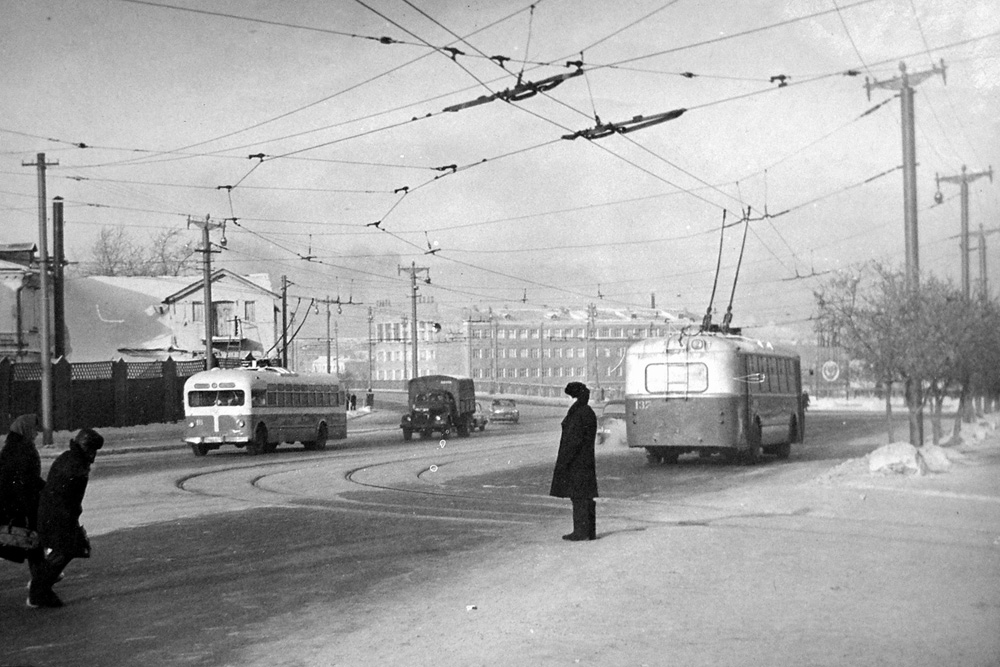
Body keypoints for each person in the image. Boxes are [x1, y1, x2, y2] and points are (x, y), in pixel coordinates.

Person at [29, 428, 104, 608]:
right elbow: (66, 496)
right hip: (58, 516)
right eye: (92, 450)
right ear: (86, 448)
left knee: (66, 549)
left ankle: (40, 585)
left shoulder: (69, 458)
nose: (93, 456)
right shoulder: (76, 466)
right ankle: (39, 590)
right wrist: (70, 520)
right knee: (66, 550)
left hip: (53, 513)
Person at [549, 382, 599, 541]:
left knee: (578, 497)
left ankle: (581, 531)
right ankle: (589, 531)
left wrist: (564, 462)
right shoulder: (587, 412)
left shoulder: (579, 413)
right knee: (585, 496)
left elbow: (573, 440)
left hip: (576, 461)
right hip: (585, 460)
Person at [0, 415, 45, 581]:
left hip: (17, 503)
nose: (36, 434)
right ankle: (40, 585)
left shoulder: (13, 448)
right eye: (34, 430)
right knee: (33, 541)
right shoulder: (22, 450)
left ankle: (41, 582)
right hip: (22, 504)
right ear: (25, 429)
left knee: (33, 542)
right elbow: (23, 482)